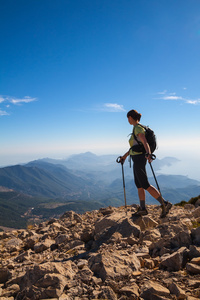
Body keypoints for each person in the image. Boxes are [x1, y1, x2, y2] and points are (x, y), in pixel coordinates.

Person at [120, 109, 172, 218]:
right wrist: (124, 157)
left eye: (127, 118)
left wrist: (148, 154)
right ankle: (143, 209)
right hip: (136, 158)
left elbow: (145, 142)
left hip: (139, 159)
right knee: (139, 185)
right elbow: (134, 147)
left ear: (130, 117)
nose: (127, 120)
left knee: (145, 184)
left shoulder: (138, 128)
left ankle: (165, 204)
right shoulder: (135, 128)